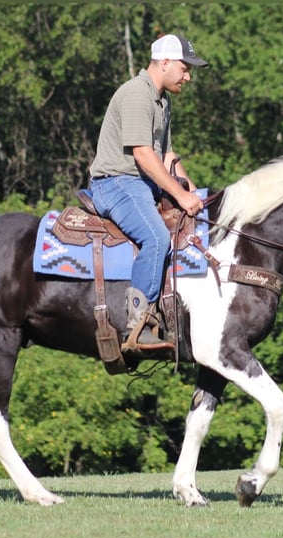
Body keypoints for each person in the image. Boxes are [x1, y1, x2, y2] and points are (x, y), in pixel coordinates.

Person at [89, 33, 208, 349]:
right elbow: (143, 153)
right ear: (165, 63)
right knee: (156, 238)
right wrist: (180, 196)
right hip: (116, 183)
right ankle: (137, 324)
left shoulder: (162, 101)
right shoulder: (136, 95)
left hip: (142, 184)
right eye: (185, 68)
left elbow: (167, 155)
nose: (188, 76)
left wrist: (196, 194)